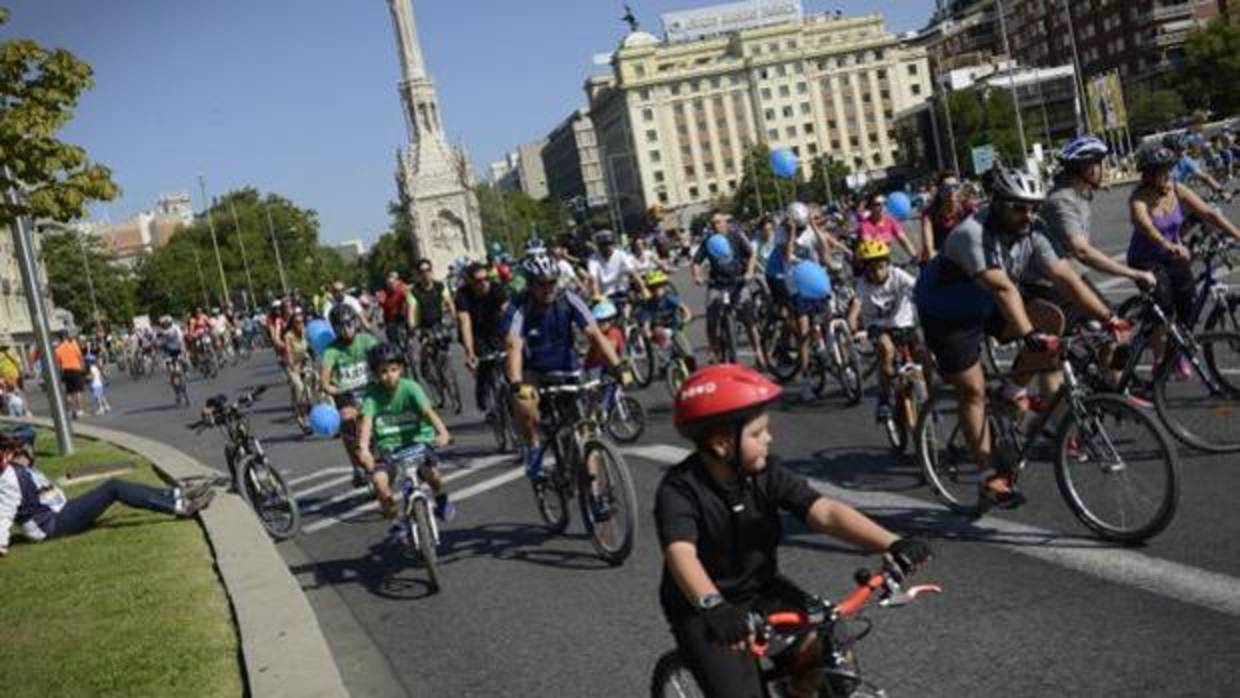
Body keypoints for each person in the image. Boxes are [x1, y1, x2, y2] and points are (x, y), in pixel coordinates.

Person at [654, 364, 931, 698]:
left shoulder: (764, 473)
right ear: (721, 444)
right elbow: (680, 553)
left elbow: (824, 512)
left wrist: (893, 541)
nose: (769, 439)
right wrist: (713, 606)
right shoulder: (680, 490)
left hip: (762, 589)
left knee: (829, 639)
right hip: (703, 607)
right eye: (757, 434)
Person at [914, 167, 1121, 507]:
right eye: (1018, 207)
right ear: (996, 203)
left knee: (1051, 317)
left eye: (1033, 207)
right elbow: (1003, 287)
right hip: (947, 315)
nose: (1028, 214)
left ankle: (1012, 391)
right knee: (972, 390)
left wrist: (1109, 318)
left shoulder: (1032, 230)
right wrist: (1028, 335)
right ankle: (987, 476)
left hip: (986, 302)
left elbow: (1064, 277)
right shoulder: (971, 233)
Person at [506, 253, 630, 486]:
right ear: (531, 284)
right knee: (525, 402)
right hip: (535, 372)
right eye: (542, 284)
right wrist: (516, 384)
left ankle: (594, 490)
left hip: (568, 369)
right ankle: (533, 447)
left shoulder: (569, 299)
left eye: (552, 282)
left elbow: (594, 333)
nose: (548, 289)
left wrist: (618, 365)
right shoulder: (520, 307)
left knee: (585, 430)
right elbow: (514, 345)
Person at [0, 429, 214, 558]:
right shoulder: (9, 478)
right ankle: (180, 506)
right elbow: (4, 513)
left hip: (60, 513)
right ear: (13, 453)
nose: (30, 451)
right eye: (25, 448)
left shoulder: (23, 470)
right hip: (52, 526)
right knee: (114, 487)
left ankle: (178, 494)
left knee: (113, 487)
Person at [1128, 145, 1240, 372]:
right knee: (1164, 307)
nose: (1168, 175)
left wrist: (1237, 234)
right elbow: (1147, 227)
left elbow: (1208, 213)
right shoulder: (1138, 198)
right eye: (1162, 171)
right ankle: (1159, 363)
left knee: (1188, 304)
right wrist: (1168, 244)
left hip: (1173, 255)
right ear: (1148, 174)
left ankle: (1176, 351)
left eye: (1168, 170)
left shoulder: (1176, 190)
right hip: (1146, 259)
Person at [357, 343, 454, 521]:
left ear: (401, 369)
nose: (389, 376)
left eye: (393, 369)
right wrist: (364, 449)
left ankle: (441, 499)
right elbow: (367, 422)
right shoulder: (372, 396)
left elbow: (428, 413)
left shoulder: (411, 388)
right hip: (389, 448)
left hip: (418, 441)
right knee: (379, 482)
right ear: (376, 374)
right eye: (383, 372)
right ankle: (396, 521)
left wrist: (443, 433)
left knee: (433, 475)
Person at [846, 240, 918, 421]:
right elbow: (855, 307)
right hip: (878, 327)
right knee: (886, 349)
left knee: (924, 357)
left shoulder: (898, 275)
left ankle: (927, 401)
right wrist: (853, 326)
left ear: (887, 264)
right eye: (871, 269)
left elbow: (918, 289)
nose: (877, 273)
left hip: (903, 324)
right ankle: (884, 399)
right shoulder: (863, 284)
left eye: (881, 266)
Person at [693, 211, 765, 368]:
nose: (716, 225)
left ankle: (758, 352)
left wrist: (750, 272)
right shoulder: (708, 241)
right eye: (713, 223)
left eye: (719, 222)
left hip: (737, 283)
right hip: (717, 284)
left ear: (726, 223)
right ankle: (713, 351)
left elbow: (751, 254)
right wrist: (697, 276)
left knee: (749, 320)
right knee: (711, 318)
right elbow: (697, 261)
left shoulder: (736, 236)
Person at [319, 303, 381, 487]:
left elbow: (383, 360)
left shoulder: (367, 341)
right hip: (347, 395)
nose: (346, 330)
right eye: (340, 327)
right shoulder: (332, 350)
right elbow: (325, 380)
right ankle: (357, 466)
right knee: (348, 425)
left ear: (355, 323)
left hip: (370, 390)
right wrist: (334, 390)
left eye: (349, 325)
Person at [455, 261, 510, 412]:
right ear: (470, 282)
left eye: (486, 279)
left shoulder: (497, 289)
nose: (484, 283)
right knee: (486, 363)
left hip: (496, 329)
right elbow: (465, 323)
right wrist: (470, 353)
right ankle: (483, 392)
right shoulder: (462, 295)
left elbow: (508, 313)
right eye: (479, 281)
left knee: (509, 363)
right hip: (475, 333)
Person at [638, 269, 694, 367]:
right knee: (660, 336)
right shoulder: (648, 304)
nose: (657, 290)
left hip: (674, 327)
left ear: (664, 286)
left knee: (688, 354)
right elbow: (646, 321)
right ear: (650, 289)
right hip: (658, 330)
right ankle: (665, 361)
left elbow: (684, 309)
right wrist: (647, 331)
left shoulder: (669, 298)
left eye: (659, 286)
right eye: (653, 288)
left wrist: (686, 318)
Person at [409, 258, 456, 368]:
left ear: (432, 271)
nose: (425, 274)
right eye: (422, 271)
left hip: (439, 323)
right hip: (423, 326)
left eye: (428, 270)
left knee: (445, 346)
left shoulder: (440, 286)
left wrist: (455, 318)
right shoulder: (413, 291)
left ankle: (447, 374)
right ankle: (425, 364)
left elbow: (449, 302)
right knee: (427, 349)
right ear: (418, 274)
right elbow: (411, 310)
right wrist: (413, 327)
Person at [919, 172, 975, 260]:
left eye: (955, 187)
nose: (952, 191)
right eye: (947, 188)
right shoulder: (929, 214)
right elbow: (929, 249)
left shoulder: (967, 207)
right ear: (940, 192)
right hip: (939, 258)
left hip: (965, 256)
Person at [587, 229, 647, 304]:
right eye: (604, 244)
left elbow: (633, 272)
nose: (608, 247)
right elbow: (593, 278)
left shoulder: (621, 254)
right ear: (599, 246)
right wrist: (596, 293)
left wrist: (643, 288)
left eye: (610, 243)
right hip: (606, 295)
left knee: (630, 308)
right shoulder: (593, 259)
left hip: (624, 290)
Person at [858, 192, 918, 259]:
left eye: (884, 204)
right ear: (870, 207)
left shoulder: (891, 221)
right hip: (871, 262)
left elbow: (903, 239)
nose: (882, 207)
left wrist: (915, 256)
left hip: (886, 261)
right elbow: (870, 247)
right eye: (877, 204)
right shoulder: (864, 226)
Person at [282, 308, 313, 434]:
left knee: (309, 392)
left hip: (304, 363)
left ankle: (308, 412)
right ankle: (302, 417)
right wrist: (294, 367)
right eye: (297, 323)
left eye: (301, 322)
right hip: (292, 365)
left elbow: (310, 347)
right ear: (293, 323)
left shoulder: (306, 332)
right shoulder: (288, 335)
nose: (300, 325)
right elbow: (288, 353)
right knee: (299, 388)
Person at [584, 299, 626, 375]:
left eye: (606, 320)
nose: (602, 324)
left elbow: (616, 350)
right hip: (596, 368)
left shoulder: (614, 333)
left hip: (609, 367)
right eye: (599, 321)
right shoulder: (596, 334)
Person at [52, 331, 86, 418]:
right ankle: (80, 410)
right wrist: (83, 368)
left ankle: (71, 411)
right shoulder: (73, 344)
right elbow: (80, 357)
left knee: (69, 392)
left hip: (66, 371)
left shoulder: (57, 349)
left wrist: (60, 373)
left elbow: (58, 363)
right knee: (78, 391)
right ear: (66, 337)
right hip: (76, 369)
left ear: (59, 338)